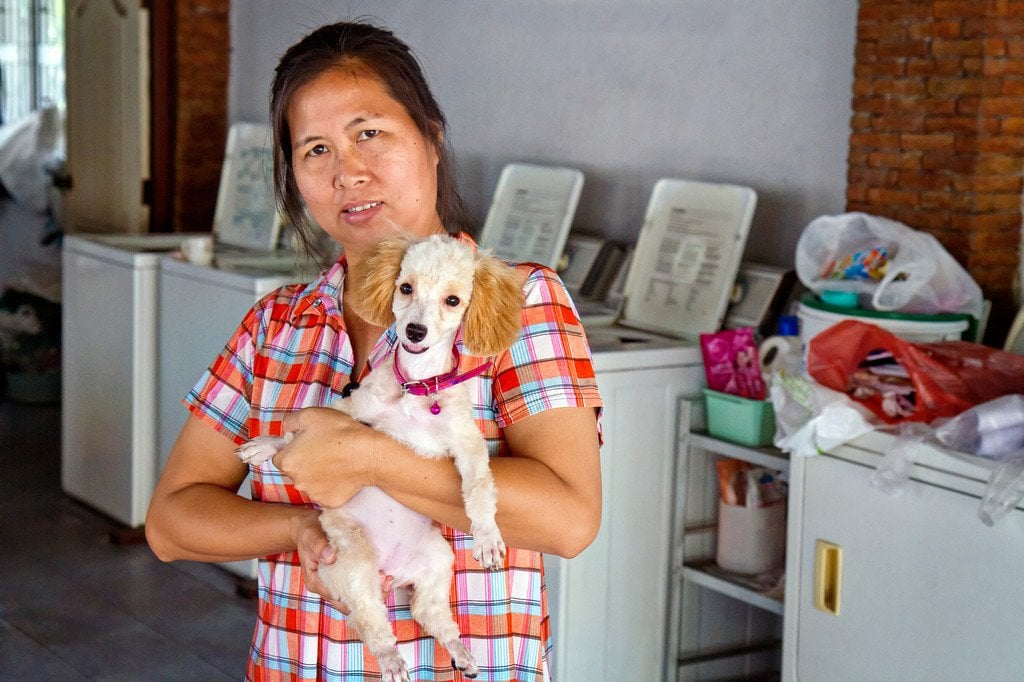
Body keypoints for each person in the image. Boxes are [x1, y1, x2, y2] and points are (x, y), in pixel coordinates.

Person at [145, 20, 603, 682]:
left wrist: (366, 457)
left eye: (369, 134)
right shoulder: (276, 325)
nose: (348, 172)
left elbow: (568, 520)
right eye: (315, 150)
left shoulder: (515, 300)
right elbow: (170, 522)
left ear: (432, 139)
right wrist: (303, 527)